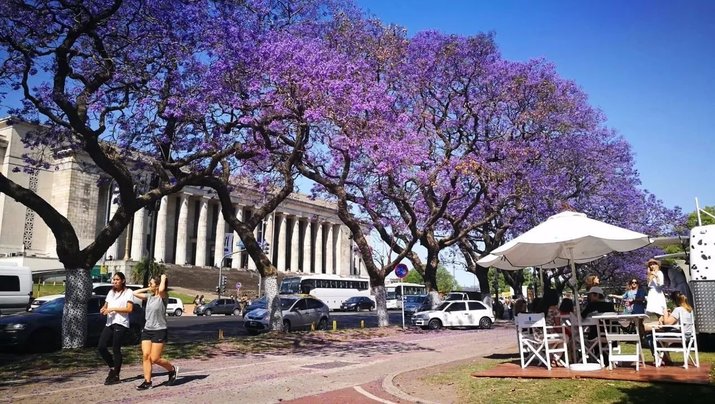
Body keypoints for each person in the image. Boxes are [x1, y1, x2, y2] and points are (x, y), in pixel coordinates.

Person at [132, 274, 179, 390]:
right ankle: (147, 382)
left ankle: (171, 369)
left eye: (151, 283)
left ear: (157, 286)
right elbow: (135, 293)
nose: (149, 285)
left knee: (155, 358)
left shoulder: (163, 296)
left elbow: (162, 289)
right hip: (147, 330)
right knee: (146, 356)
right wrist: (149, 288)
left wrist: (163, 278)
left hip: (159, 330)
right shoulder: (150, 296)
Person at [98, 272, 134, 385]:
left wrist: (113, 309)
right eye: (113, 279)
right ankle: (113, 367)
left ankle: (116, 375)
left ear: (122, 280)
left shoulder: (128, 292)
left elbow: (129, 309)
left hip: (121, 323)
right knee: (101, 346)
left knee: (115, 348)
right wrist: (103, 309)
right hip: (110, 322)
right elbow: (106, 305)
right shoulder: (110, 292)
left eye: (117, 279)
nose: (114, 281)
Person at [647, 290, 694, 365]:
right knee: (661, 336)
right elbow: (675, 321)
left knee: (650, 337)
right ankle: (665, 358)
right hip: (688, 335)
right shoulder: (689, 310)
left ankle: (658, 358)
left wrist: (665, 312)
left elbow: (667, 323)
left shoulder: (678, 309)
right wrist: (670, 314)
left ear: (675, 301)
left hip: (679, 335)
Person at [644, 259, 667, 330]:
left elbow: (660, 284)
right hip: (652, 293)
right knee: (652, 310)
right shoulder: (650, 274)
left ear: (657, 265)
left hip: (658, 293)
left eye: (654, 264)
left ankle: (663, 326)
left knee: (660, 311)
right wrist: (650, 274)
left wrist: (656, 275)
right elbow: (648, 284)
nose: (652, 266)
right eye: (650, 264)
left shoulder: (660, 273)